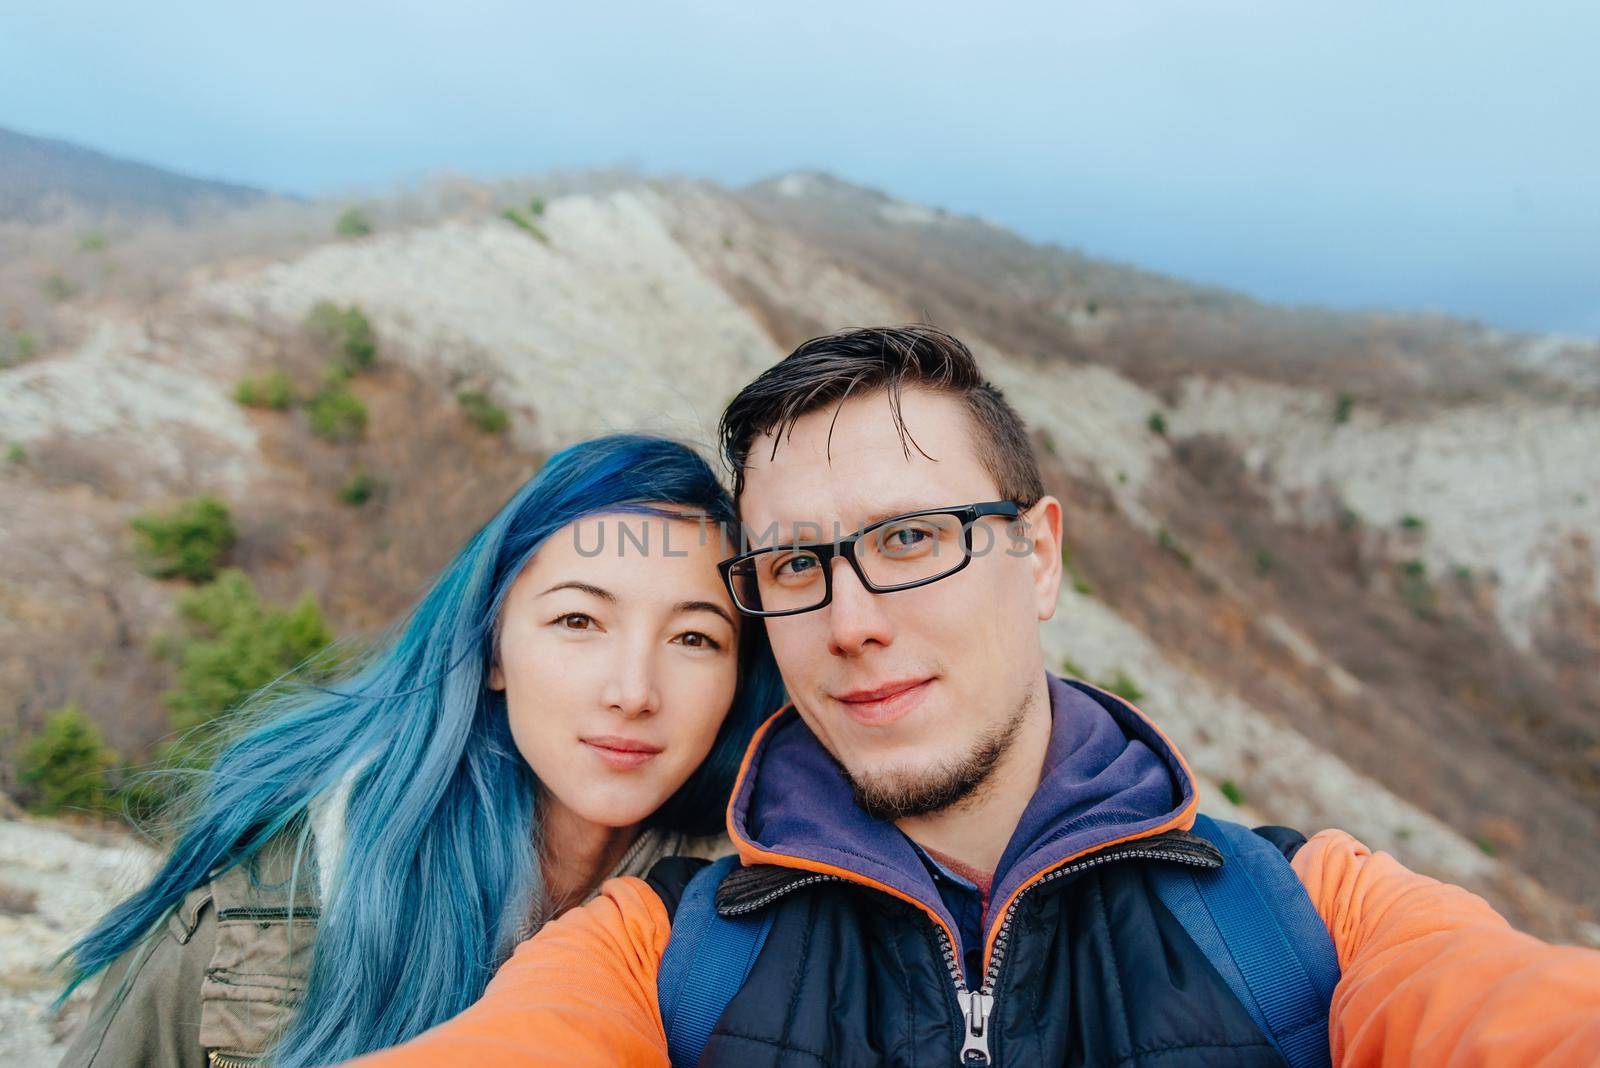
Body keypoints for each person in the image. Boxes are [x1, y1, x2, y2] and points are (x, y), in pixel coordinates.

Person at [347, 328, 1600, 1067]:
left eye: (912, 540)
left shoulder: (1306, 916)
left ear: (1039, 554)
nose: (850, 621)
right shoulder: (663, 944)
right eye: (795, 566)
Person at [58, 434, 785, 1068]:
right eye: (578, 619)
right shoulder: (278, 894)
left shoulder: (751, 924)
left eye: (695, 637)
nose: (633, 692)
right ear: (493, 649)